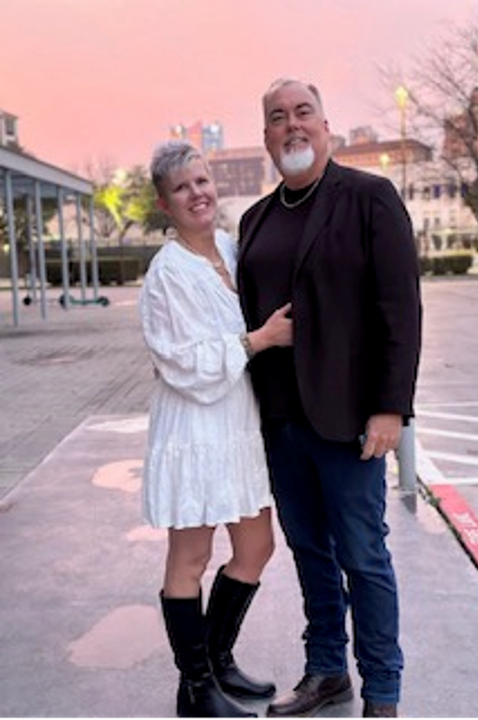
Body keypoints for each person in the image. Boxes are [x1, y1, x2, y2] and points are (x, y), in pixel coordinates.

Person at [236, 78, 422, 720]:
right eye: (278, 117)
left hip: (349, 421)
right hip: (281, 422)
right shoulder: (254, 221)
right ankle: (325, 671)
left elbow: (400, 310)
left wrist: (390, 406)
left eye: (303, 113)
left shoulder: (369, 199)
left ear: (325, 125)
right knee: (310, 552)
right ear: (266, 137)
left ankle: (384, 692)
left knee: (363, 556)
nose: (292, 125)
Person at [139, 139, 293, 720]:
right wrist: (258, 340)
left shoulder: (232, 246)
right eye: (182, 188)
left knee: (256, 545)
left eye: (201, 181)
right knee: (191, 555)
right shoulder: (167, 273)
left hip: (239, 422)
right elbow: (180, 362)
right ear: (164, 203)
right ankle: (196, 690)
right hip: (195, 427)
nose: (196, 194)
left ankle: (217, 659)